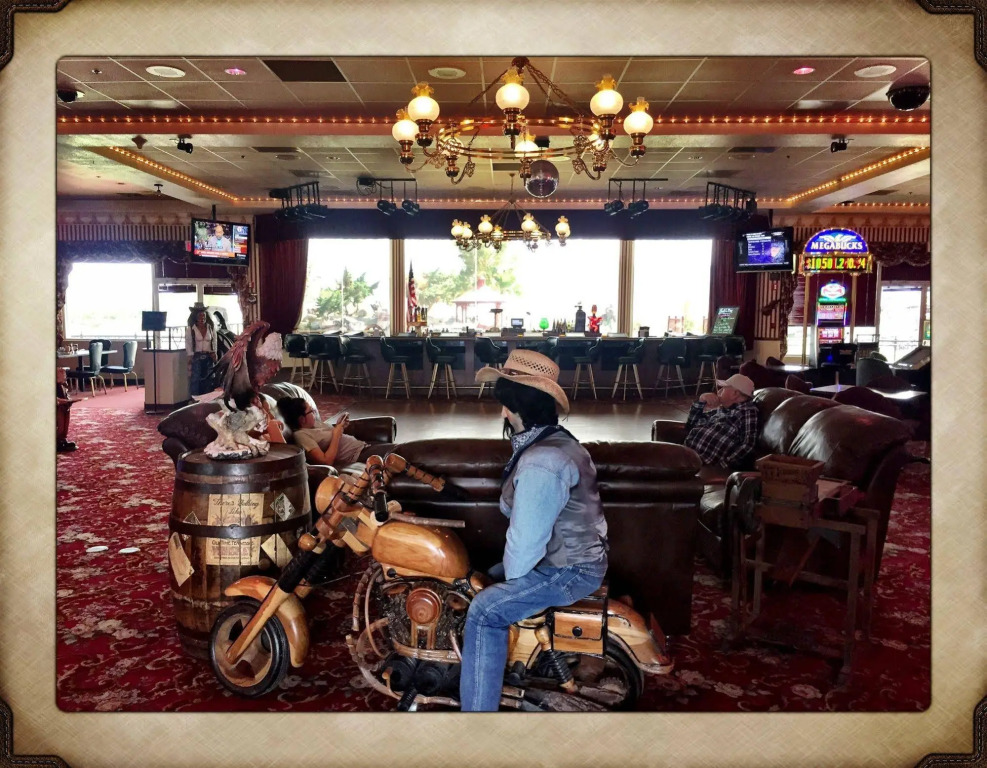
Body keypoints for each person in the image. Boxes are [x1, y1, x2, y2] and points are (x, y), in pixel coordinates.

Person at [460, 349, 608, 711]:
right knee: (469, 580)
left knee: (484, 611)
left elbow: (525, 544)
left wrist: (507, 590)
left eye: (505, 405)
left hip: (569, 569)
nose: (502, 413)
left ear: (515, 407)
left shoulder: (543, 461)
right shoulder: (557, 441)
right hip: (571, 559)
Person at [276, 396, 392, 468]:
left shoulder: (314, 424)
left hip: (363, 447)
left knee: (397, 452)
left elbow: (333, 432)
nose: (315, 413)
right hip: (356, 456)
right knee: (397, 453)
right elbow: (326, 461)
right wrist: (336, 434)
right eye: (311, 411)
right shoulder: (302, 435)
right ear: (302, 419)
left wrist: (340, 426)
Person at [683, 373, 758, 468]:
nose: (719, 391)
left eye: (723, 388)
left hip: (702, 462)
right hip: (687, 453)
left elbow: (748, 445)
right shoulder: (722, 409)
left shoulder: (747, 412)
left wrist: (723, 465)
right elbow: (691, 424)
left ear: (734, 394)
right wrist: (701, 401)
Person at [185, 303, 217, 397]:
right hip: (196, 356)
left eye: (204, 315)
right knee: (195, 379)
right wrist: (190, 357)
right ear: (195, 317)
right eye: (200, 316)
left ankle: (207, 398)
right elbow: (188, 343)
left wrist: (214, 353)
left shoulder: (210, 328)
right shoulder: (191, 329)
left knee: (209, 378)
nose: (202, 318)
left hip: (209, 356)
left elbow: (214, 341)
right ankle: (194, 398)